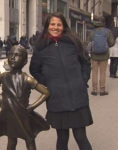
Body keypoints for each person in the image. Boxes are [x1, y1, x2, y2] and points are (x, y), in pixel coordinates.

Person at [29, 12, 93, 150]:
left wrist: (82, 79)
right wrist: (49, 83)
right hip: (57, 99)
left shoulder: (73, 42)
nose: (55, 27)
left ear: (64, 26)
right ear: (47, 26)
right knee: (62, 138)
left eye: (59, 24)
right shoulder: (41, 47)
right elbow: (34, 70)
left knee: (81, 137)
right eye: (52, 24)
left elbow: (85, 62)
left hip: (78, 97)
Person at [0, 45, 50, 150]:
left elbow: (45, 92)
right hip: (9, 114)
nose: (13, 58)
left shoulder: (27, 79)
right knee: (12, 140)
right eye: (11, 54)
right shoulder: (3, 76)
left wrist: (32, 107)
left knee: (29, 139)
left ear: (25, 61)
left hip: (23, 115)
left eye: (17, 55)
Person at [88, 17, 114, 96]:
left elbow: (89, 42)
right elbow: (111, 42)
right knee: (103, 73)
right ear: (104, 23)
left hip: (94, 55)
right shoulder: (108, 31)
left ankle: (94, 90)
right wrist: (106, 46)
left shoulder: (92, 32)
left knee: (94, 73)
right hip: (104, 55)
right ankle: (102, 90)